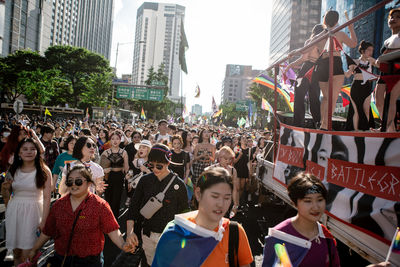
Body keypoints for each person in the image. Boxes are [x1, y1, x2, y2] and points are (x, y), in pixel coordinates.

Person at [28, 165, 136, 266]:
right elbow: (48, 231)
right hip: (62, 259)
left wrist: (123, 245)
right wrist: (34, 249)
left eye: (78, 181)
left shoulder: (100, 205)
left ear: (89, 183)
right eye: (70, 182)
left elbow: (112, 230)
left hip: (90, 261)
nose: (74, 184)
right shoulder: (58, 205)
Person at [152, 167, 253, 267]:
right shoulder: (174, 234)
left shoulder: (234, 232)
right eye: (215, 196)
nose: (221, 204)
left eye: (227, 198)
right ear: (198, 194)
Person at [126, 144, 188, 266]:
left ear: (168, 163)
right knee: (148, 263)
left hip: (169, 236)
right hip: (147, 234)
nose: (155, 169)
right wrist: (129, 232)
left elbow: (185, 212)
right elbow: (133, 207)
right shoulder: (145, 180)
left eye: (159, 166)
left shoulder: (179, 184)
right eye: (151, 165)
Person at [262, 172, 340, 267]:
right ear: (294, 203)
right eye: (308, 201)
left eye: (320, 200)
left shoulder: (326, 237)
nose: (315, 207)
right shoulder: (279, 237)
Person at [4, 138, 52, 266]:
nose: (29, 152)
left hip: (34, 212)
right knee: (17, 252)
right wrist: (6, 189)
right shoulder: (13, 170)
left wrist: (44, 220)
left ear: (37, 151)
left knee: (28, 254)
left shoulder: (44, 171)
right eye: (25, 149)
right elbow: (6, 192)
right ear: (19, 153)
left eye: (32, 149)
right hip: (15, 211)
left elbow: (47, 197)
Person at [315, 10, 357, 130]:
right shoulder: (340, 33)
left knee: (325, 97)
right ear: (337, 21)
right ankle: (325, 125)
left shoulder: (319, 36)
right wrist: (351, 28)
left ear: (325, 20)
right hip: (335, 63)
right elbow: (354, 44)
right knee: (332, 98)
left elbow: (312, 47)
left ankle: (322, 124)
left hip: (322, 65)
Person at [286, 24, 325, 128]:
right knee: (314, 98)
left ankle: (298, 123)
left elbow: (303, 58)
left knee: (299, 95)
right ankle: (318, 122)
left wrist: (290, 65)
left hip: (307, 68)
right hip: (318, 70)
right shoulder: (325, 44)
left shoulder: (310, 41)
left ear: (313, 32)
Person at [345, 40, 378, 131]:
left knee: (366, 109)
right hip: (356, 86)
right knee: (356, 110)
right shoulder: (355, 61)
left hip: (367, 86)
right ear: (363, 51)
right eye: (369, 50)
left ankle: (366, 129)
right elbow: (348, 74)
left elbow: (380, 65)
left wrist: (374, 60)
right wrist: (337, 70)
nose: (371, 52)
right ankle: (356, 130)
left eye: (372, 50)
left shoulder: (371, 61)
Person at [376, 8, 400, 132]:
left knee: (391, 100)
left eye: (397, 17)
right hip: (384, 72)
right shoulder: (387, 40)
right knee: (378, 98)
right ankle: (387, 125)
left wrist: (383, 57)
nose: (393, 19)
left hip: (397, 71)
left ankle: (389, 129)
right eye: (391, 17)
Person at [100, 130, 129, 217]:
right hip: (108, 178)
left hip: (119, 178)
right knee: (108, 199)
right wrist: (105, 170)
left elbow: (126, 168)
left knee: (117, 200)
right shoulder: (105, 152)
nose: (115, 141)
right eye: (112, 139)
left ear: (120, 140)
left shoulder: (124, 152)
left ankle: (114, 220)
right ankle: (107, 219)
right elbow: (100, 168)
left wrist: (128, 176)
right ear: (110, 140)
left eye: (117, 139)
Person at [233, 135, 251, 202]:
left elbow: (249, 162)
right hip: (237, 170)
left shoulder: (249, 149)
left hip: (245, 170)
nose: (244, 139)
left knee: (242, 188)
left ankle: (238, 202)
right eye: (243, 138)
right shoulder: (237, 148)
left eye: (245, 138)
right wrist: (239, 156)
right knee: (237, 188)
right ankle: (235, 203)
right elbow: (234, 161)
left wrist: (250, 172)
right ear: (240, 141)